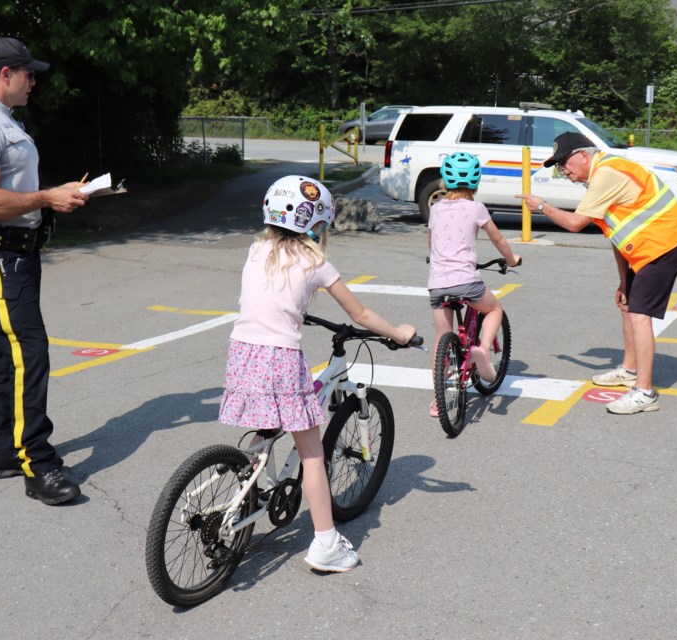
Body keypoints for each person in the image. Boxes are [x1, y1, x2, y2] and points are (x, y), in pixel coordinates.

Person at [218, 175, 417, 572]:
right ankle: (326, 544)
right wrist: (400, 334)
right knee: (313, 453)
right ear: (315, 223)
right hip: (279, 358)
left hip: (242, 353)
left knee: (267, 428)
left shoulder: (256, 248)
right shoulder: (314, 260)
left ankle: (252, 490)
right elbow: (358, 314)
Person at [0, 37, 89, 504]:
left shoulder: (5, 121)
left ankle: (5, 450)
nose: (34, 81)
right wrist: (48, 198)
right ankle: (37, 464)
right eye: (29, 74)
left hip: (19, 252)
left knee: (9, 350)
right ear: (6, 75)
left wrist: (55, 193)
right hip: (1, 255)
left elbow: (12, 187)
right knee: (30, 351)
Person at [516, 131, 677, 415]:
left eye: (564, 163)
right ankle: (629, 369)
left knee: (640, 315)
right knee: (628, 305)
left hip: (667, 241)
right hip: (646, 244)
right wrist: (624, 281)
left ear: (583, 155)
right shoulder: (601, 174)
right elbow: (616, 232)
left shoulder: (607, 174)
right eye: (559, 166)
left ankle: (645, 392)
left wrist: (542, 206)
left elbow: (575, 223)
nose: (563, 171)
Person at [428, 152, 522, 417]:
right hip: (466, 281)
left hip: (437, 282)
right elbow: (499, 239)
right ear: (476, 181)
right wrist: (511, 258)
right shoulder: (477, 208)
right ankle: (482, 347)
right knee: (493, 310)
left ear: (444, 182)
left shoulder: (435, 209)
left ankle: (438, 399)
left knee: (441, 339)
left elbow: (432, 241)